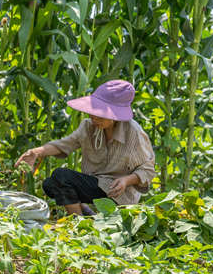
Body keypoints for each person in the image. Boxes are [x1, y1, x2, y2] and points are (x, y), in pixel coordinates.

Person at [14, 79, 155, 216]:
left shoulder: (133, 132)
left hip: (118, 192)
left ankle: (78, 223)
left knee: (60, 175)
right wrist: (35, 153)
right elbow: (64, 144)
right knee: (50, 184)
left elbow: (148, 169)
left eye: (100, 115)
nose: (94, 118)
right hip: (96, 183)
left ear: (116, 116)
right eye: (93, 111)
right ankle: (84, 214)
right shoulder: (88, 126)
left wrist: (126, 180)